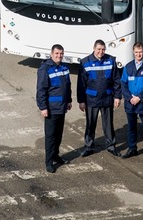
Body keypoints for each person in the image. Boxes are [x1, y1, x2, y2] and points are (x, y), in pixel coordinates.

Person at [77, 39, 122, 157]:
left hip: (107, 98)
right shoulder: (85, 62)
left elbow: (116, 80)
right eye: (98, 49)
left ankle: (111, 146)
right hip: (91, 99)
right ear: (93, 48)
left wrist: (117, 96)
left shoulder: (111, 60)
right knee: (90, 124)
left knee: (108, 124)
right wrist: (81, 101)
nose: (101, 52)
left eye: (103, 50)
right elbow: (81, 84)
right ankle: (89, 147)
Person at [36, 44, 72, 174]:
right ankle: (49, 162)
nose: (59, 56)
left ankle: (56, 155)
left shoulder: (64, 67)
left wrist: (69, 101)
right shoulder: (45, 69)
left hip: (62, 108)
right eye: (57, 53)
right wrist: (43, 107)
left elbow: (67, 86)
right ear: (51, 54)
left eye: (61, 53)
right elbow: (41, 90)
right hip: (51, 109)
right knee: (50, 136)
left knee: (58, 135)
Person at [120, 42, 143, 162]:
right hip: (130, 102)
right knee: (131, 127)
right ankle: (132, 149)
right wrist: (129, 97)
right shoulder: (128, 67)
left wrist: (139, 97)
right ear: (133, 52)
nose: (138, 54)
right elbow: (123, 83)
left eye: (140, 52)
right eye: (136, 52)